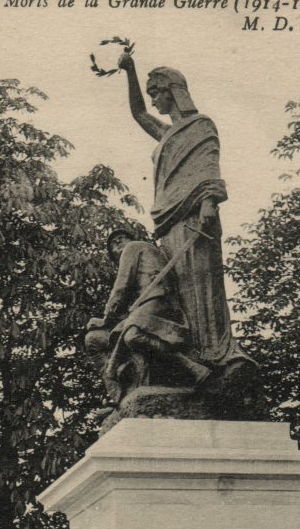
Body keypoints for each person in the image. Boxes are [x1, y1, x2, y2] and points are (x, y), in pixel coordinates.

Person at [117, 53, 254, 377]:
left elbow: (209, 166)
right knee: (180, 290)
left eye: (156, 93)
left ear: (173, 90)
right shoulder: (166, 134)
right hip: (170, 223)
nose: (154, 101)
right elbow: (138, 113)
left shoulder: (201, 126)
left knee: (202, 286)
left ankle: (217, 356)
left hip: (197, 217)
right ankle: (188, 357)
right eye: (151, 94)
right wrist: (130, 72)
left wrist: (208, 203)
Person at [86, 229, 210, 405]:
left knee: (132, 336)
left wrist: (106, 318)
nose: (118, 244)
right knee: (93, 340)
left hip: (158, 301)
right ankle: (117, 396)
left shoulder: (134, 247)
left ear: (131, 239)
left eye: (121, 239)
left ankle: (192, 367)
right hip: (145, 307)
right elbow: (126, 302)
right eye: (113, 244)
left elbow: (121, 287)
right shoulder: (141, 263)